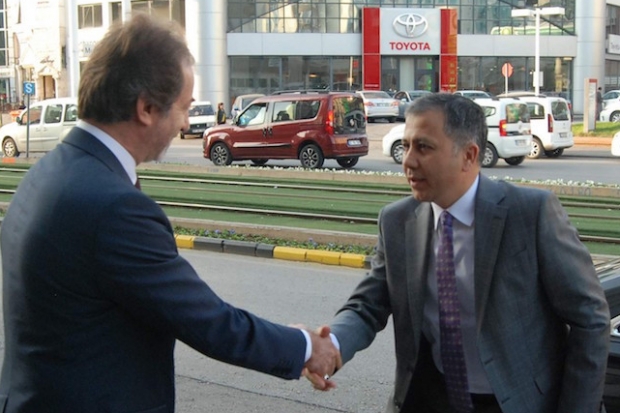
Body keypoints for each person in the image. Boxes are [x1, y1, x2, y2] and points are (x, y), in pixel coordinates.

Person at [0, 13, 340, 412]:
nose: (185, 123)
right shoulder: (116, 207)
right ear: (146, 108)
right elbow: (207, 321)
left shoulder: (49, 170)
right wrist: (304, 347)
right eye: (184, 107)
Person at [305, 93, 610, 413]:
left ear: (469, 155)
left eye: (423, 147)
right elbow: (368, 306)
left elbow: (590, 318)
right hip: (431, 399)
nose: (408, 161)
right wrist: (331, 346)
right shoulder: (396, 221)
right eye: (406, 146)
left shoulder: (530, 214)